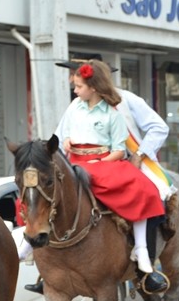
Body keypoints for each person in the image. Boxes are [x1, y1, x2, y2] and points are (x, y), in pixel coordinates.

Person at [57, 60, 165, 277]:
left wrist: (139, 154)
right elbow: (60, 137)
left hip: (119, 160)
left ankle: (146, 263)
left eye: (76, 76)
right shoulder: (76, 105)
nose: (72, 80)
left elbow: (159, 128)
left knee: (149, 194)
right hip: (80, 161)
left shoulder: (127, 101)